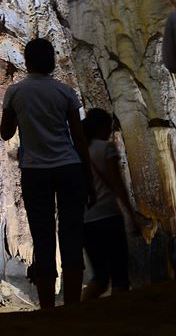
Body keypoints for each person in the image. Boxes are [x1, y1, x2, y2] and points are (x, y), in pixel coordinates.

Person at [0, 37, 93, 309]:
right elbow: (78, 137)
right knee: (71, 234)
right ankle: (72, 306)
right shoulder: (65, 92)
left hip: (35, 172)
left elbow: (6, 133)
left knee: (42, 237)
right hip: (69, 168)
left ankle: (47, 309)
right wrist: (88, 176)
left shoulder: (15, 92)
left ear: (27, 62)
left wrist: (21, 116)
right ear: (51, 61)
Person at [81, 108, 143, 300]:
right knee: (119, 276)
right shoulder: (106, 148)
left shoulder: (78, 151)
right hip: (108, 216)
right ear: (101, 127)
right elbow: (117, 184)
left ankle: (76, 314)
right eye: (109, 126)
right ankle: (120, 322)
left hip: (86, 220)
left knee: (99, 277)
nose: (110, 130)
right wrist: (131, 216)